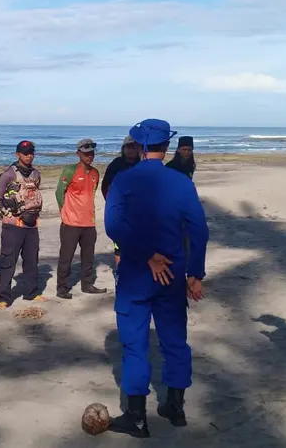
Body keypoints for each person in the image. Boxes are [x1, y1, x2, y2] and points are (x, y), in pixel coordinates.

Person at [104, 118, 209, 438]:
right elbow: (199, 231)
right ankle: (175, 407)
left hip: (137, 271)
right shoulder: (181, 182)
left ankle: (137, 416)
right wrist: (195, 274)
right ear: (166, 147)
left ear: (140, 146)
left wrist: (147, 256)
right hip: (173, 274)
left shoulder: (124, 180)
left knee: (135, 344)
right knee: (175, 340)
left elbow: (114, 227)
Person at [0, 140, 46, 309]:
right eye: (25, 153)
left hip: (32, 226)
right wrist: (7, 214)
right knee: (8, 262)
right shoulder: (9, 174)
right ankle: (4, 298)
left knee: (31, 260)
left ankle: (31, 293)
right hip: (13, 226)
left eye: (31, 152)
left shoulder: (36, 174)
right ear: (17, 154)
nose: (29, 155)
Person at [55, 138, 107, 299]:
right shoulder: (70, 170)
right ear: (79, 154)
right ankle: (62, 288)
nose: (89, 156)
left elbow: (91, 194)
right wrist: (65, 211)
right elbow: (59, 193)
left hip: (89, 223)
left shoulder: (95, 173)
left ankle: (87, 285)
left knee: (88, 258)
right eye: (86, 153)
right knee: (66, 258)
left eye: (91, 153)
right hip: (71, 223)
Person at [101, 135, 141, 268]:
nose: (131, 150)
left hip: (138, 214)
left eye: (134, 147)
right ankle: (120, 273)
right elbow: (105, 187)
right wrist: (114, 205)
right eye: (128, 147)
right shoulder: (116, 165)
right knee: (119, 247)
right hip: (120, 213)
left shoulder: (141, 165)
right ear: (123, 149)